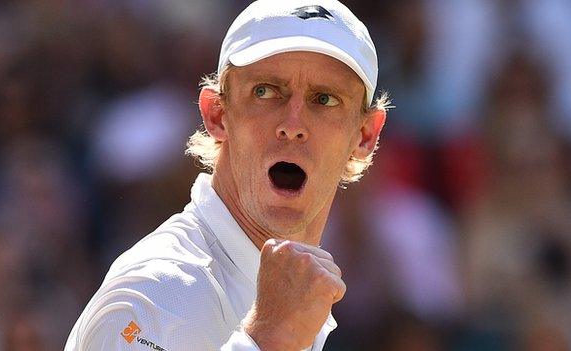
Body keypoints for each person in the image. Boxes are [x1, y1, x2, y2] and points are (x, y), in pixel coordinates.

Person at [65, 0, 387, 350]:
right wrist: (267, 340)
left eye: (324, 99)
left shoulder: (300, 299)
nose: (293, 126)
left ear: (365, 135)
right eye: (265, 91)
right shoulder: (156, 294)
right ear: (217, 115)